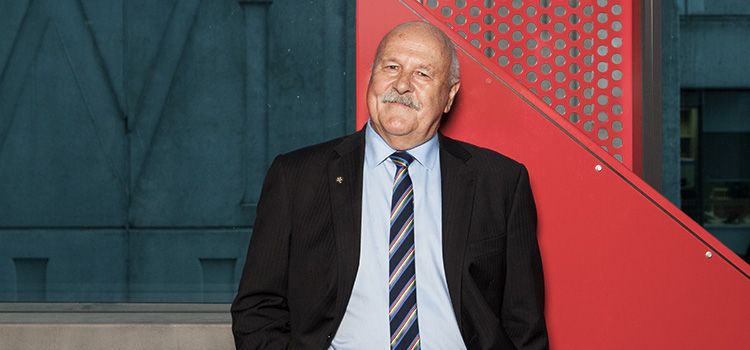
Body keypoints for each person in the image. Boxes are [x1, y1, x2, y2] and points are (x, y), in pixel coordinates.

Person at [231, 21, 548, 350]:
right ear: (372, 76)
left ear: (449, 96)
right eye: (392, 66)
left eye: (422, 74)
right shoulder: (297, 177)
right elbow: (257, 310)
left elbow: (523, 323)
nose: (402, 84)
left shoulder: (500, 183)